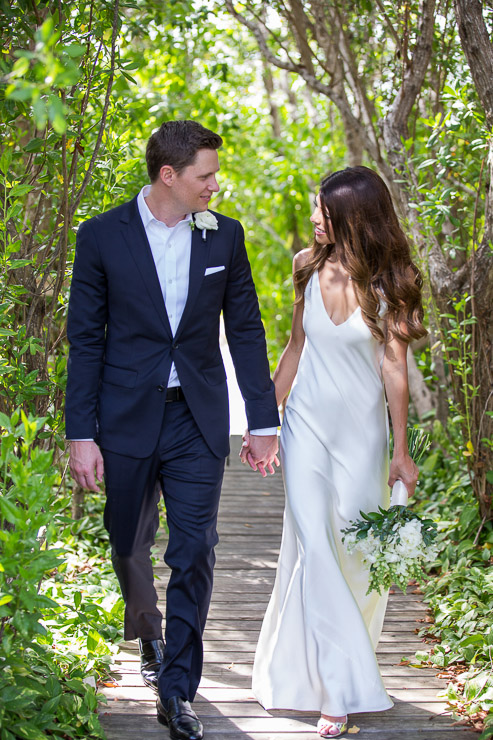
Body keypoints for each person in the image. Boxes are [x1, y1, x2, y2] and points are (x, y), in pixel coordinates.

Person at [65, 120, 280, 740]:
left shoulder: (225, 236)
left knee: (195, 548)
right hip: (124, 417)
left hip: (196, 415)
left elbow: (245, 331)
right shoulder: (102, 235)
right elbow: (85, 339)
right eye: (205, 175)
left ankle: (178, 688)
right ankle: (149, 633)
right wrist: (82, 432)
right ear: (170, 176)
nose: (216, 185)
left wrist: (262, 420)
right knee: (129, 545)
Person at [245, 166, 427, 738]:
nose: (315, 217)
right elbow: (296, 348)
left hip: (362, 435)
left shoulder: (391, 281)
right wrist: (262, 424)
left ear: (353, 217)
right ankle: (339, 693)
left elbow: (394, 368)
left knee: (353, 549)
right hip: (305, 426)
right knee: (315, 548)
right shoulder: (306, 266)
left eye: (323, 209)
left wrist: (402, 450)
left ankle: (330, 671)